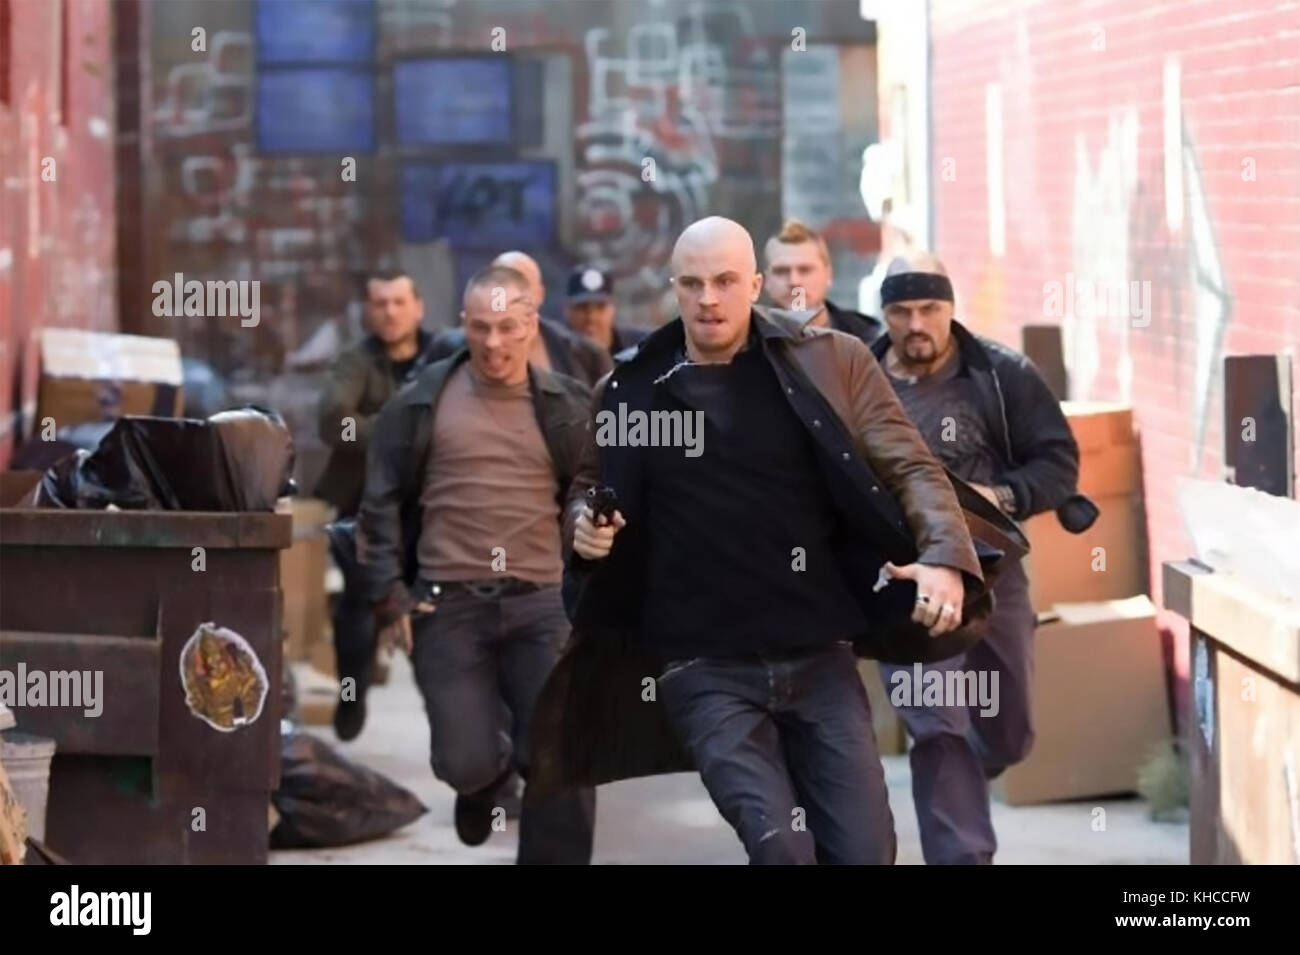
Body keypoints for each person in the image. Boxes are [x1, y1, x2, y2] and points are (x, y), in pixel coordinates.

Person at [564, 217, 983, 864]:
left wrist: (943, 557)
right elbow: (589, 488)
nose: (709, 298)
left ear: (756, 285)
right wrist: (584, 527)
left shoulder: (831, 361)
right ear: (673, 288)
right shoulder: (631, 389)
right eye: (693, 283)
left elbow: (912, 467)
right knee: (780, 846)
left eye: (726, 281)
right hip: (704, 664)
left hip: (818, 653)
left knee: (866, 850)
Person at [359, 264, 596, 864]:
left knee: (560, 753)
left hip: (542, 602)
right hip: (448, 605)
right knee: (461, 758)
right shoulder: (418, 403)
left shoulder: (567, 407)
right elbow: (379, 501)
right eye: (481, 327)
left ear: (531, 325)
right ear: (462, 324)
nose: (494, 342)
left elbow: (591, 490)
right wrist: (389, 594)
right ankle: (484, 782)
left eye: (508, 327)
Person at [871, 252, 1080, 864]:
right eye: (901, 311)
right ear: (884, 313)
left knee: (1009, 734)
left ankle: (966, 774)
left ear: (951, 308)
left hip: (993, 573)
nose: (916, 324)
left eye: (929, 309)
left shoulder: (1002, 374)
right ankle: (961, 848)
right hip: (909, 581)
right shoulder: (860, 380)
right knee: (938, 727)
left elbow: (1058, 465)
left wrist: (1001, 496)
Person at [315, 269, 434, 741]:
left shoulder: (442, 354)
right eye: (380, 303)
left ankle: (452, 720)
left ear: (418, 307)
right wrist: (400, 435)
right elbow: (334, 420)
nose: (390, 312)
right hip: (362, 506)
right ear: (369, 310)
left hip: (430, 506)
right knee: (359, 607)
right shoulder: (355, 361)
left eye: (399, 302)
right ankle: (352, 692)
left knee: (434, 610)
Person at [428, 251, 612, 388]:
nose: (509, 296)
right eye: (501, 285)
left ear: (540, 294)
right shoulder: (448, 349)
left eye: (521, 286)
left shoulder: (585, 354)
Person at [763, 219, 885, 344]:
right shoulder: (752, 342)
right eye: (781, 271)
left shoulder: (867, 338)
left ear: (828, 275)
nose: (794, 281)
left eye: (805, 270)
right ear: (766, 280)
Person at [563, 266, 649, 357]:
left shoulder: (642, 347)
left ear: (613, 308)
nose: (591, 317)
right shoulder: (555, 354)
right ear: (567, 310)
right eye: (583, 307)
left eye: (600, 307)